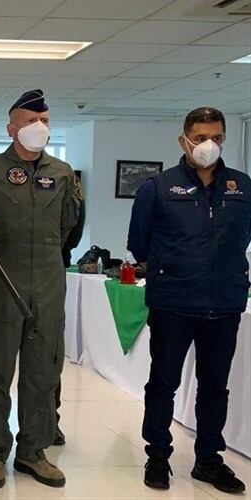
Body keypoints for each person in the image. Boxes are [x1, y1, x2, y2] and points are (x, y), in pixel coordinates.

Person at [0, 89, 82, 489]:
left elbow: (69, 229)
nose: (39, 128)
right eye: (31, 121)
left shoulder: (64, 173)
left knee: (43, 370)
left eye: (45, 120)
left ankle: (34, 451)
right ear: (11, 128)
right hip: (0, 276)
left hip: (48, 281)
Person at [128, 107, 247, 495]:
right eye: (199, 137)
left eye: (215, 137)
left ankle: (209, 461)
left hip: (224, 304)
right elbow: (139, 244)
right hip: (173, 303)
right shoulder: (158, 187)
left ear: (224, 139)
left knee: (216, 387)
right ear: (184, 140)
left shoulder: (243, 188)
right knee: (163, 384)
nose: (207, 145)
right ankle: (158, 455)